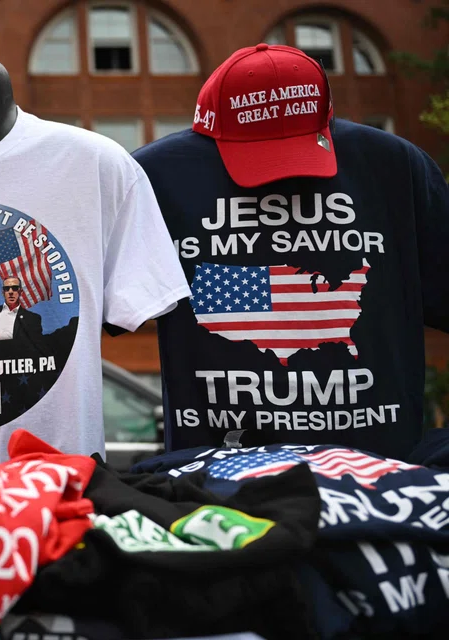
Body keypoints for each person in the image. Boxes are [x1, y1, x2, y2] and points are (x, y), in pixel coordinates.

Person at [132, 43, 449, 461]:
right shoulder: (152, 177)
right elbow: (92, 317)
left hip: (377, 482)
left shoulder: (396, 167)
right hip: (218, 481)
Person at [0, 276, 47, 358]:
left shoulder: (32, 318)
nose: (10, 292)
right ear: (3, 292)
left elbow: (31, 347)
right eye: (7, 289)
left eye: (14, 288)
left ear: (21, 292)